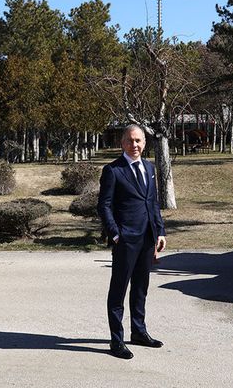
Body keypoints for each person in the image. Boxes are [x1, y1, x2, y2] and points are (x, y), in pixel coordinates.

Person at [97, 124, 167, 360]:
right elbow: (104, 206)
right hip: (125, 241)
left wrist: (160, 231)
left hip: (147, 239)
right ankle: (116, 341)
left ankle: (139, 331)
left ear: (144, 143)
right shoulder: (113, 171)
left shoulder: (149, 168)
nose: (134, 145)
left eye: (138, 140)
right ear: (122, 143)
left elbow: (153, 203)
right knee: (118, 291)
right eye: (130, 140)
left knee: (140, 289)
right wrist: (115, 234)